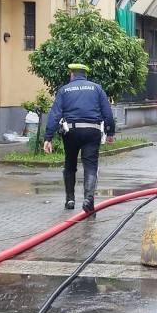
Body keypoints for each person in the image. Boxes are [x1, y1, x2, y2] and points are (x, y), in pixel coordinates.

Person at [43, 63, 115, 213]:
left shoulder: (64, 90)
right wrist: (110, 132)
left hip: (71, 132)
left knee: (70, 165)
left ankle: (70, 200)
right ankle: (88, 199)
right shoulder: (96, 88)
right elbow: (107, 112)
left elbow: (55, 114)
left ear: (72, 74)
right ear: (85, 74)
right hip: (92, 132)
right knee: (90, 166)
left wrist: (48, 137)